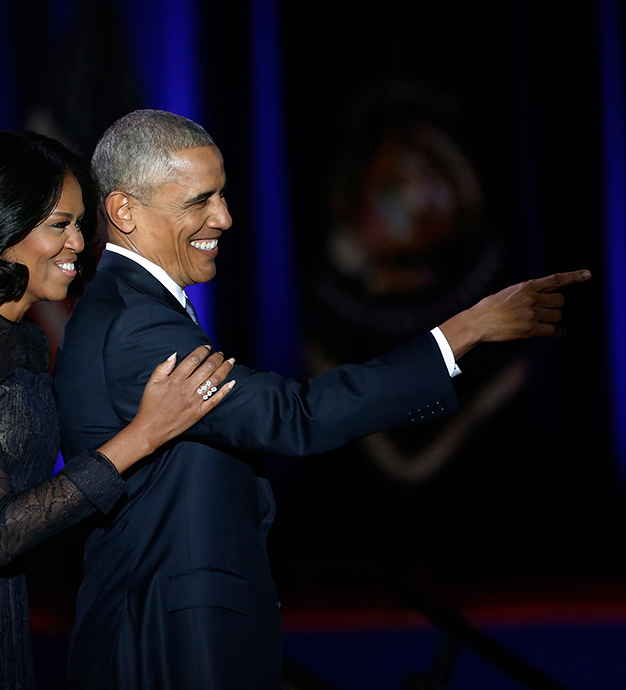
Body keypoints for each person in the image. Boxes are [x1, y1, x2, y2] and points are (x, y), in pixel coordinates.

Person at [52, 109, 591, 690]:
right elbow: (293, 416)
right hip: (163, 641)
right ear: (123, 211)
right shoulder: (134, 324)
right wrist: (464, 331)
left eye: (224, 195)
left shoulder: (134, 308)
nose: (225, 218)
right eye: (199, 201)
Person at [0, 130, 235, 690]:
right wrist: (143, 434)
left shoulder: (24, 336)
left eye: (81, 223)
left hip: (2, 609)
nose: (79, 242)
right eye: (59, 224)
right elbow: (0, 531)